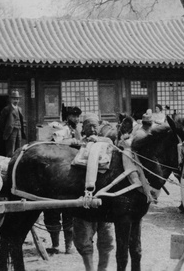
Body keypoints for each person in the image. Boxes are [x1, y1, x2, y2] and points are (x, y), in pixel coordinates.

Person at [71, 115, 114, 271]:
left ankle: (102, 269)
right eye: (89, 126)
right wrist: (78, 143)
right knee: (83, 241)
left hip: (104, 200)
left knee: (107, 241)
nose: (92, 129)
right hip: (83, 200)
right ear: (83, 128)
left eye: (95, 126)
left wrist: (99, 142)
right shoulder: (77, 143)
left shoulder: (107, 142)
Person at [44, 106, 83, 254]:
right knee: (53, 211)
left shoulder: (76, 130)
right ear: (68, 117)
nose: (77, 119)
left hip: (73, 173)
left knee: (70, 211)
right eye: (74, 116)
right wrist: (72, 141)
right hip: (58, 170)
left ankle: (69, 245)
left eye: (78, 116)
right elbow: (55, 141)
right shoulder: (62, 128)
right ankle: (55, 245)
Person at [0, 90, 26, 157]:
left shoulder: (19, 109)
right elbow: (0, 122)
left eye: (17, 99)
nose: (16, 100)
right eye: (14, 99)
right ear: (11, 99)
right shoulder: (7, 109)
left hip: (18, 130)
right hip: (11, 131)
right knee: (10, 150)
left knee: (18, 148)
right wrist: (6, 129)